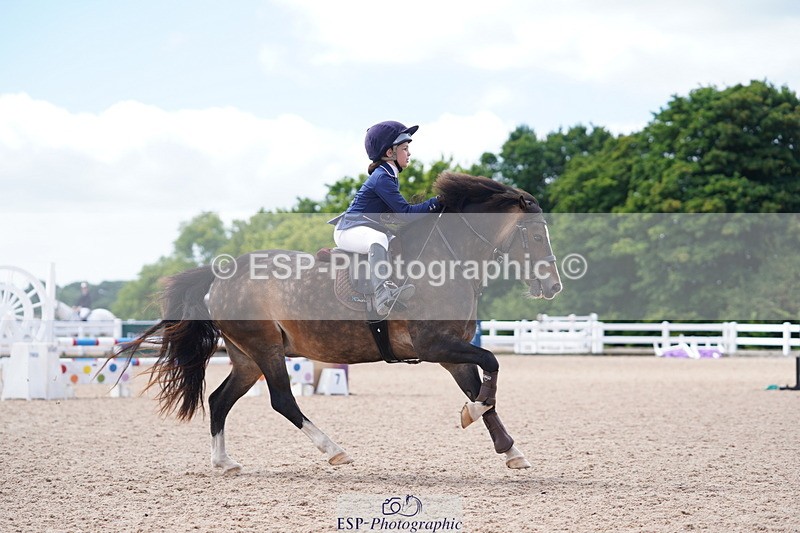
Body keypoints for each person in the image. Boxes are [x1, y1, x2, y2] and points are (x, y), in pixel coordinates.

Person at [330, 121, 442, 316]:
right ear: (390, 153)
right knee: (378, 239)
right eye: (405, 148)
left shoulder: (389, 175)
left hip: (361, 227)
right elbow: (405, 214)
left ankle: (394, 285)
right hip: (348, 230)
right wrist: (437, 202)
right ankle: (382, 293)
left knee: (395, 242)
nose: (409, 154)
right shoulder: (382, 178)